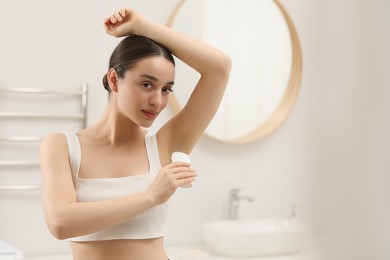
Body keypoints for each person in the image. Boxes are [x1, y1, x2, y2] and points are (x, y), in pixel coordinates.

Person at [40, 7, 231, 260]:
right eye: (147, 84)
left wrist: (143, 26)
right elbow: (61, 223)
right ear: (115, 80)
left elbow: (220, 67)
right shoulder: (62, 146)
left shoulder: (165, 144)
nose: (157, 101)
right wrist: (151, 196)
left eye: (166, 89)